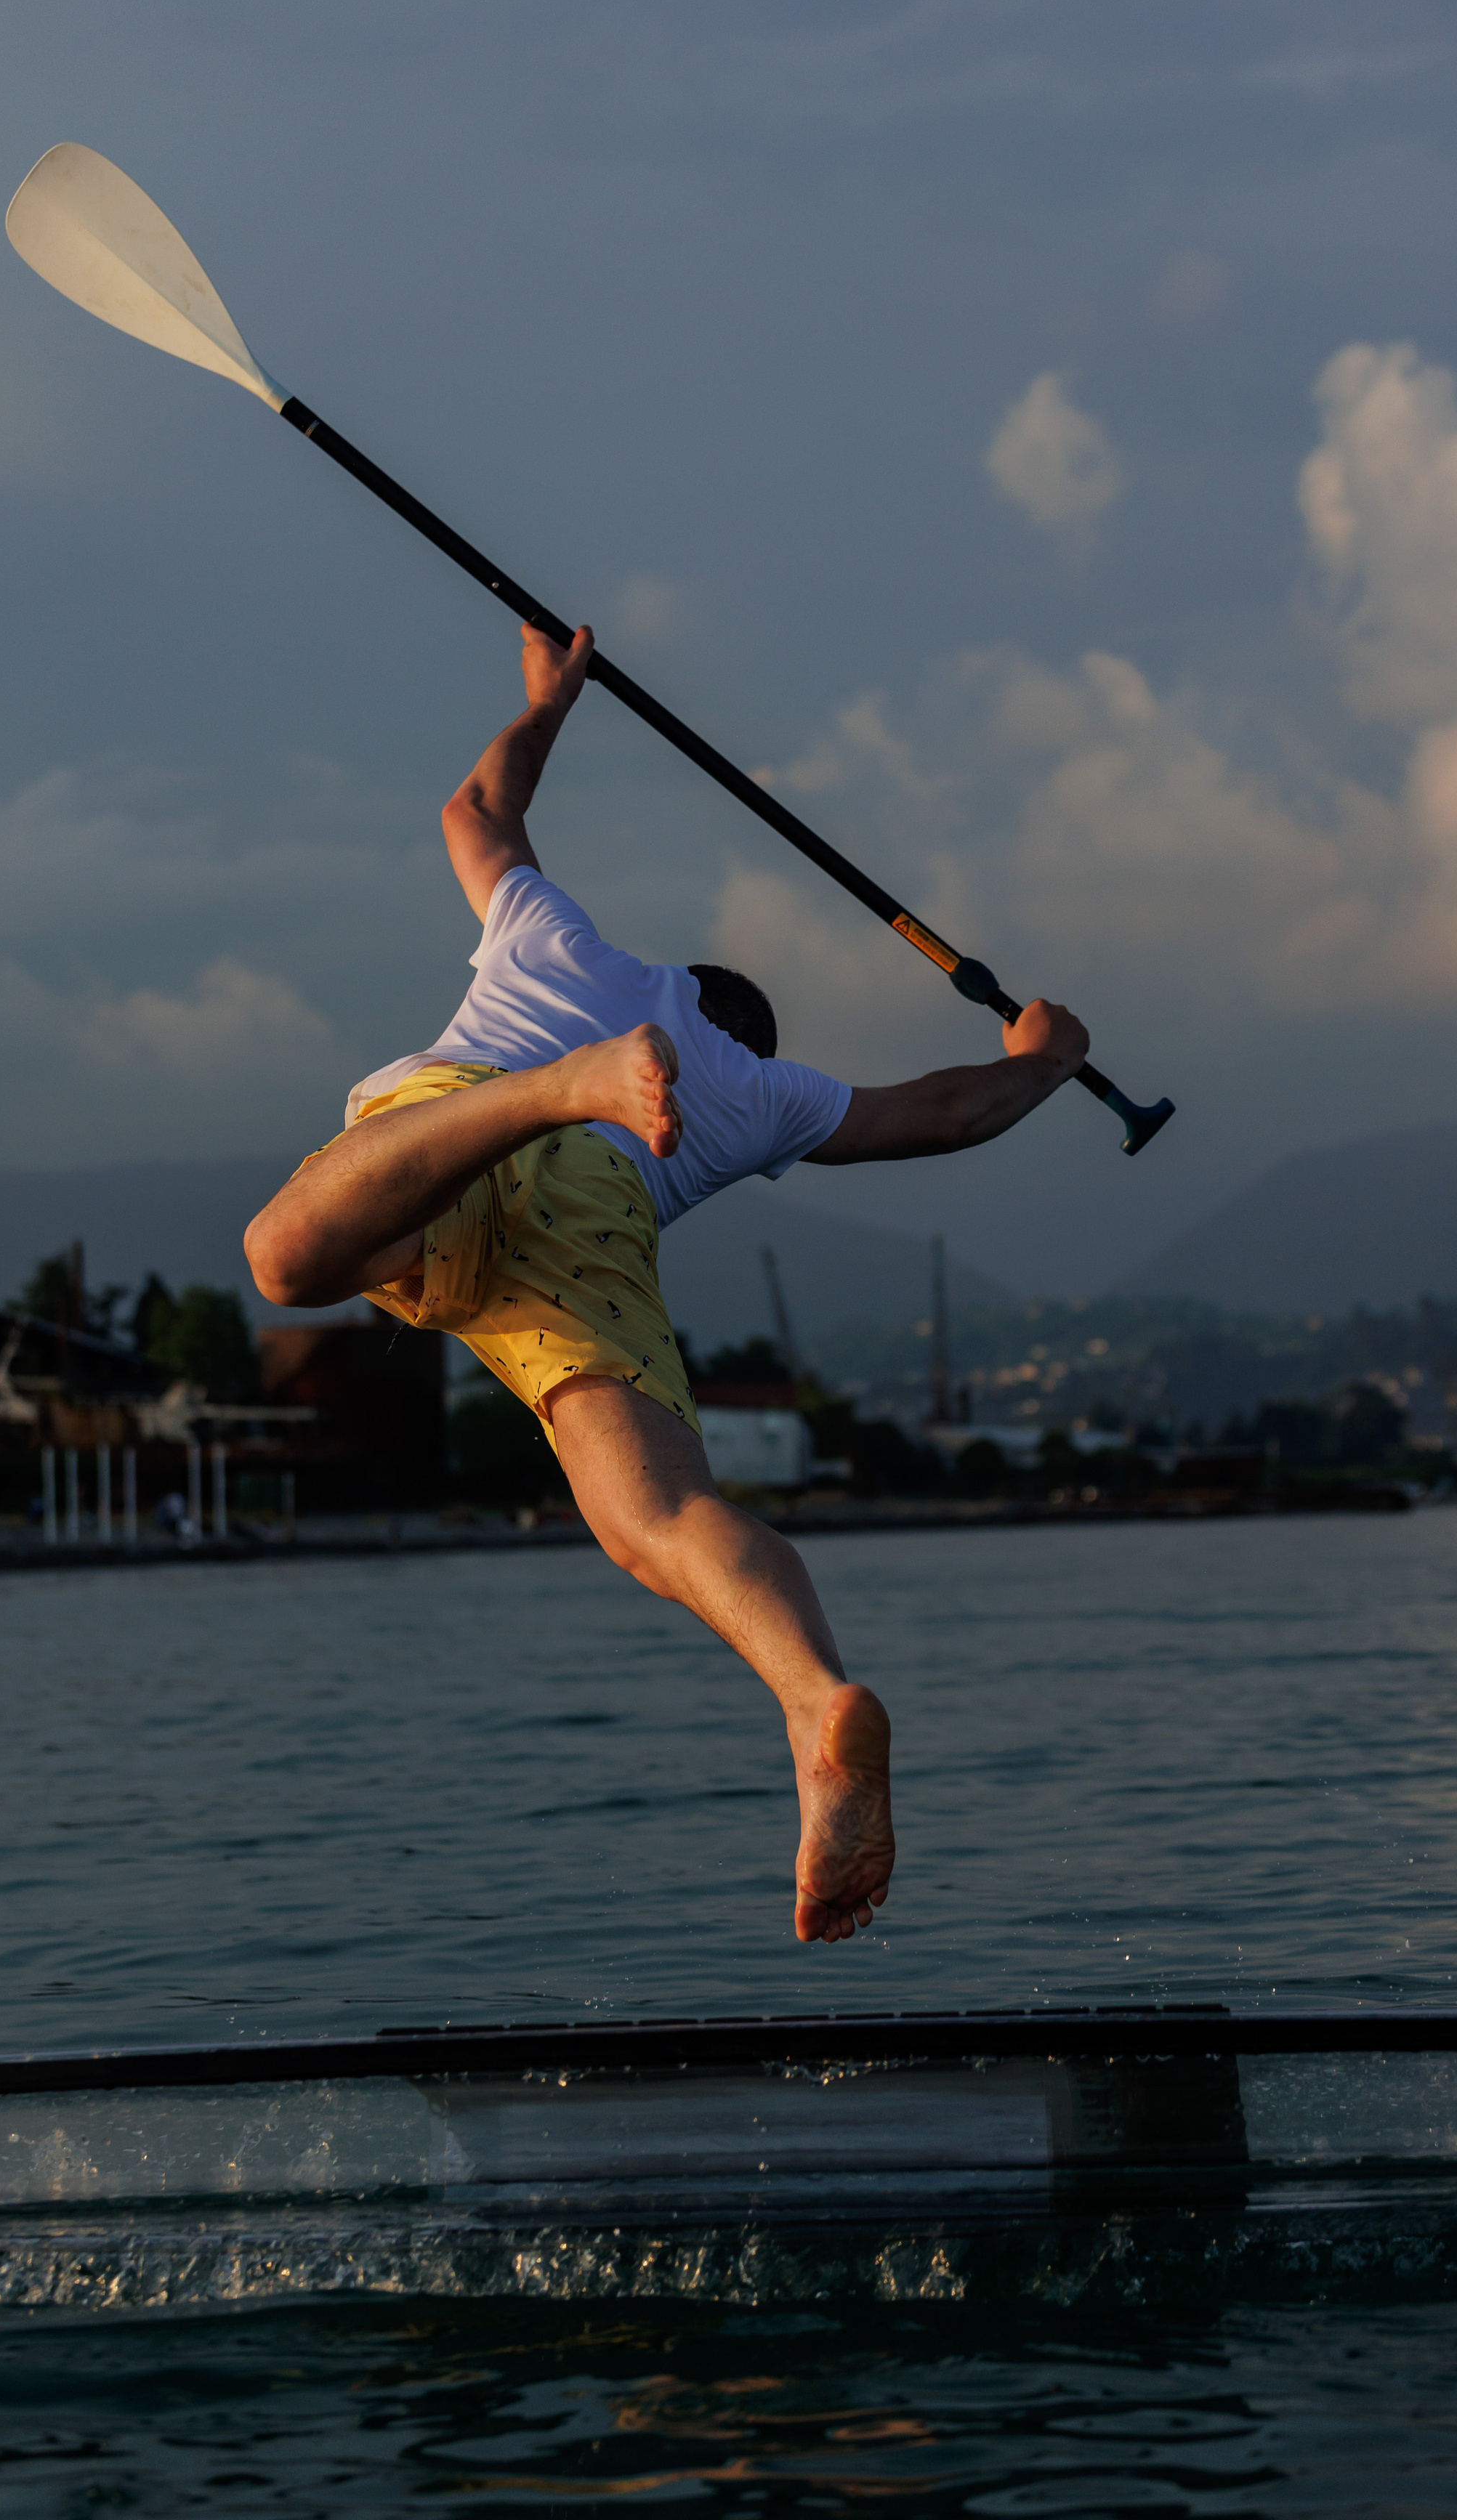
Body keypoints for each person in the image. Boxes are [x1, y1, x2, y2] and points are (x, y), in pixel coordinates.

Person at [246, 625, 1089, 1943]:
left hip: (469, 1123)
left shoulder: (563, 946)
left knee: (286, 1257)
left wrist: (546, 704)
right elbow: (944, 1112)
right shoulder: (757, 1091)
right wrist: (1046, 1055)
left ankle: (554, 1088)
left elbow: (477, 810)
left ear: (686, 987)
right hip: (602, 1216)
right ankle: (814, 1702)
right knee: (658, 1517)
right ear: (742, 1025)